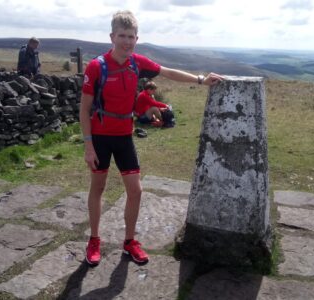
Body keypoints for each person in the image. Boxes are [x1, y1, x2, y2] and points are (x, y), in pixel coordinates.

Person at [79, 10, 222, 266]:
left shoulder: (137, 62)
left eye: (131, 36)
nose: (126, 41)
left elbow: (168, 72)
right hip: (100, 136)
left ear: (137, 38)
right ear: (112, 36)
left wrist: (201, 80)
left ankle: (129, 241)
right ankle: (94, 240)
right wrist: (88, 146)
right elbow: (83, 108)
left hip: (124, 136)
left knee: (136, 191)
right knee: (98, 188)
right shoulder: (96, 66)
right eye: (122, 36)